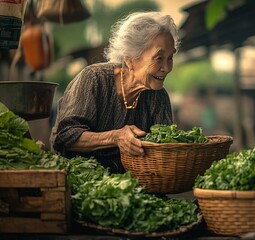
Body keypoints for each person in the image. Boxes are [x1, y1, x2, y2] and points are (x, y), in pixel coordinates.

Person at [50, 12, 179, 173]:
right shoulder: (94, 79)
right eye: (159, 58)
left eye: (170, 58)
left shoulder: (158, 97)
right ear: (130, 60)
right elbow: (65, 137)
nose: (167, 68)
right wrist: (115, 137)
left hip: (135, 186)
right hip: (84, 181)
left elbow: (165, 150)